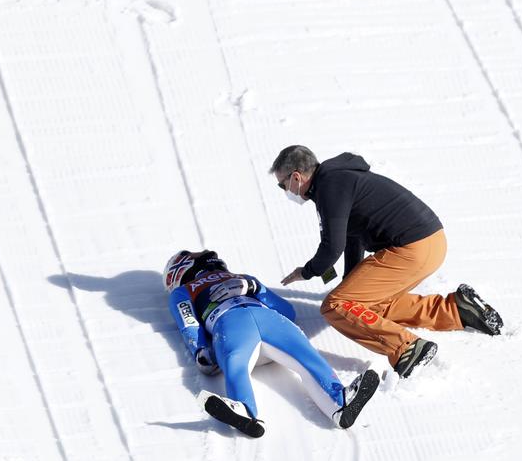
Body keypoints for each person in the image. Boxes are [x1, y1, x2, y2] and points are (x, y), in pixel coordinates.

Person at [271, 145, 504, 378]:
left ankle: (406, 348)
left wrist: (308, 271)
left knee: (336, 305)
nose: (285, 191)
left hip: (411, 248)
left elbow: (332, 247)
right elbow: (353, 237)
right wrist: (349, 282)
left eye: (283, 185)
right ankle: (456, 310)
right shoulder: (339, 178)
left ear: (296, 177)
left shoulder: (330, 186)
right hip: (432, 242)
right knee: (364, 304)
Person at [165, 249, 380, 438]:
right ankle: (245, 410)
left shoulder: (239, 278)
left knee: (297, 354)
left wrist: (254, 287)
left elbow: (287, 311)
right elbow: (189, 322)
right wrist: (200, 349)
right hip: (235, 322)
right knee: (239, 362)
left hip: (247, 322)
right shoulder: (187, 290)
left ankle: (340, 405)